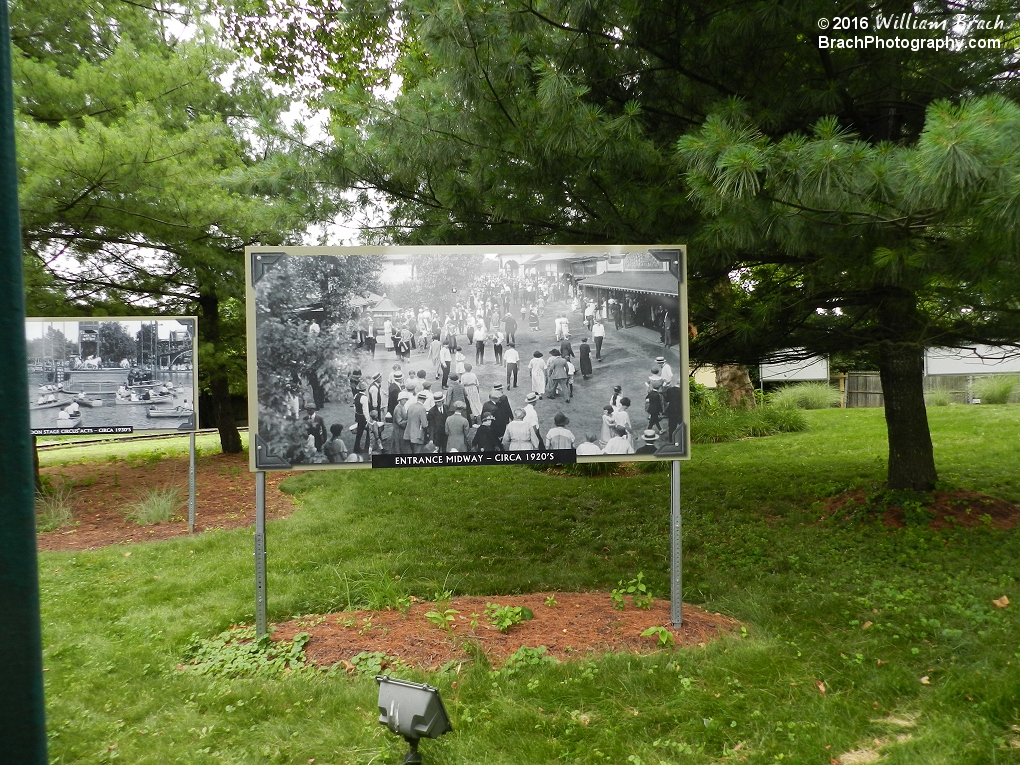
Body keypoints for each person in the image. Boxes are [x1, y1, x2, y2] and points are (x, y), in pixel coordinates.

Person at [352, 383, 371, 453]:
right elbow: (365, 410)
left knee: (359, 433)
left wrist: (356, 414)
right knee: (369, 432)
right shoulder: (364, 398)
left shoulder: (356, 396)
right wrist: (368, 420)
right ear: (365, 389)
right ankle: (367, 447)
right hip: (363, 417)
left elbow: (355, 407)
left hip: (358, 416)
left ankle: (356, 447)